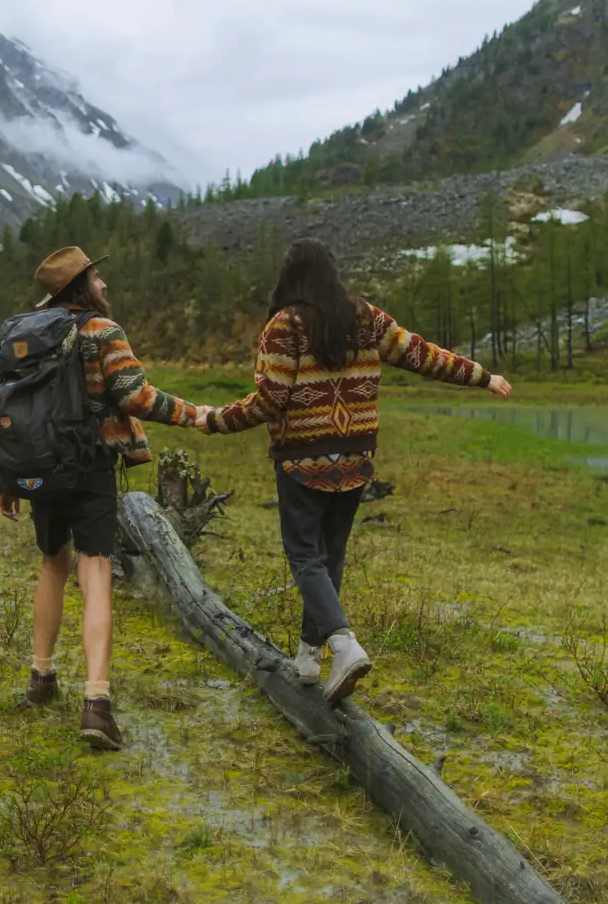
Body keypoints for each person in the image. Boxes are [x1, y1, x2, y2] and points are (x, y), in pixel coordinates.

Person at [204, 238, 509, 702]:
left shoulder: (284, 325)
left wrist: (215, 420)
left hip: (302, 458)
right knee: (331, 554)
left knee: (305, 556)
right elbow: (422, 355)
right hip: (356, 457)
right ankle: (309, 657)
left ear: (290, 274)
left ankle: (343, 645)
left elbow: (270, 400)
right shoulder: (366, 318)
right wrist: (483, 376)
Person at [0, 246, 212, 750]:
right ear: (82, 284)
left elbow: (6, 407)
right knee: (95, 573)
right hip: (90, 466)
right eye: (97, 277)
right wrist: (194, 414)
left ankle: (41, 678)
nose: (104, 284)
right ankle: (96, 705)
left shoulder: (28, 336)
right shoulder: (101, 330)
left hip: (40, 468)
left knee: (52, 564)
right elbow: (136, 396)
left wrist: (5, 479)